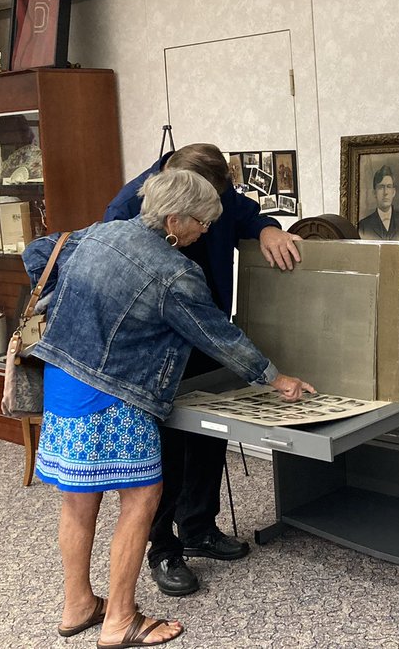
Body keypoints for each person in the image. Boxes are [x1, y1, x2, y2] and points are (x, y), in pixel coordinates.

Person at [26, 169, 315, 647]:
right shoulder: (173, 272)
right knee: (141, 499)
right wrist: (274, 377)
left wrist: (77, 307)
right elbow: (218, 337)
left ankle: (78, 604)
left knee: (78, 500)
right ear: (175, 218)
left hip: (63, 384)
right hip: (114, 396)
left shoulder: (98, 234)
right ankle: (120, 621)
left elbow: (37, 253)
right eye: (202, 222)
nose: (205, 231)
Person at [104, 143, 303, 598]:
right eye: (202, 218)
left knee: (210, 431)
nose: (210, 224)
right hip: (158, 342)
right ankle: (163, 548)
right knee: (167, 446)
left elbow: (245, 213)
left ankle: (197, 527)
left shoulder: (216, 184)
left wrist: (267, 228)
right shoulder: (126, 207)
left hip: (210, 327)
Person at [357, 165, 399, 241]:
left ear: (393, 192)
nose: (385, 192)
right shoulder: (364, 226)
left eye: (389, 187)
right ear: (374, 193)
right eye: (381, 187)